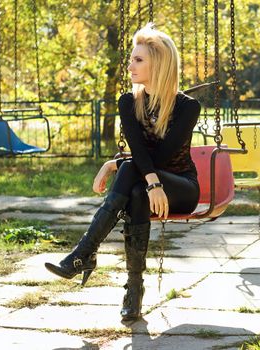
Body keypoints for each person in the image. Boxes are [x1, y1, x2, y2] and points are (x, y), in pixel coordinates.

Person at [45, 23, 201, 322]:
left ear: (159, 63)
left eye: (138, 60)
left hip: (181, 187)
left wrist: (118, 165)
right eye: (132, 58)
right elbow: (141, 153)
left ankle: (84, 253)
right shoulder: (129, 101)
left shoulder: (187, 106)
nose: (130, 65)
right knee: (136, 191)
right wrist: (147, 179)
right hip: (148, 186)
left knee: (132, 171)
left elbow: (162, 155)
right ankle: (133, 290)